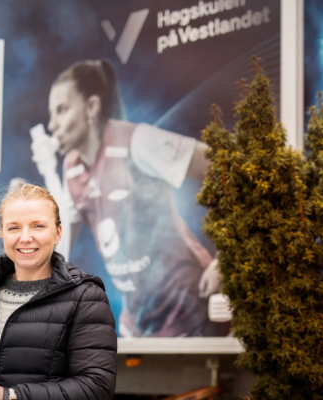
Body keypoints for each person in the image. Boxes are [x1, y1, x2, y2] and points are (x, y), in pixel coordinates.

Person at [30, 59, 222, 337]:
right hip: (138, 322)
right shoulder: (71, 166)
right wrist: (47, 174)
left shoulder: (138, 142)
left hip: (188, 308)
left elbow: (225, 166)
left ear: (91, 108)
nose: (52, 124)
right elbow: (61, 248)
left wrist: (225, 259)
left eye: (61, 110)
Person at [0, 184, 117, 400]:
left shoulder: (86, 297)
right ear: (3, 234)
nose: (25, 237)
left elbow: (97, 387)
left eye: (38, 226)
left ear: (58, 233)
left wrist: (10, 395)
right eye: (14, 228)